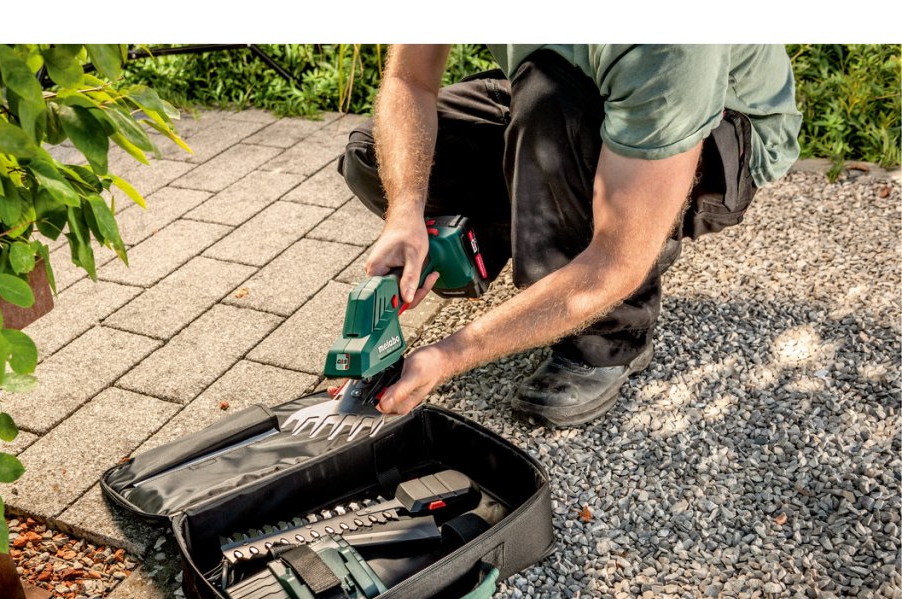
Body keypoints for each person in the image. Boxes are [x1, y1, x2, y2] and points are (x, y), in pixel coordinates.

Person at [337, 44, 801, 427]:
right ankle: (547, 233)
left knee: (549, 108)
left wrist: (451, 354)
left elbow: (615, 264)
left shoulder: (669, 45)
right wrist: (405, 211)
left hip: (713, 134)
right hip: (558, 86)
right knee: (374, 155)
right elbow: (409, 82)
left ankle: (610, 336)